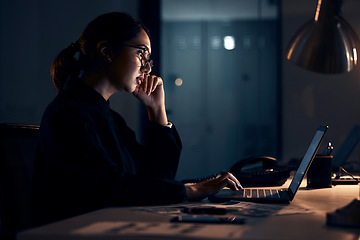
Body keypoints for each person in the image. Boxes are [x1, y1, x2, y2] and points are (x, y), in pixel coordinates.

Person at [31, 12, 242, 226]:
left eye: (148, 58)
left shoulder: (110, 119)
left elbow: (157, 178)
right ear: (106, 51)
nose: (147, 67)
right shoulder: (66, 115)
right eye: (141, 53)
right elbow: (106, 188)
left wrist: (157, 111)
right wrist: (193, 189)